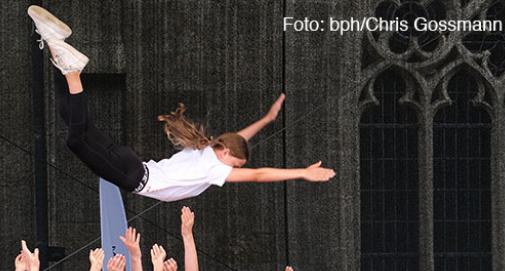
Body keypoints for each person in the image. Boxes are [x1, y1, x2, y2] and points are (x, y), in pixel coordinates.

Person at [26, 6, 335, 204]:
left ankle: (57, 49)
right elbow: (259, 175)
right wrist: (301, 173)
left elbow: (237, 140)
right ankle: (69, 69)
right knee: (75, 137)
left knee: (79, 131)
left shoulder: (207, 149)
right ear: (225, 155)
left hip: (133, 165)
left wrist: (266, 120)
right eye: (236, 165)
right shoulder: (214, 167)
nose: (237, 170)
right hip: (133, 175)